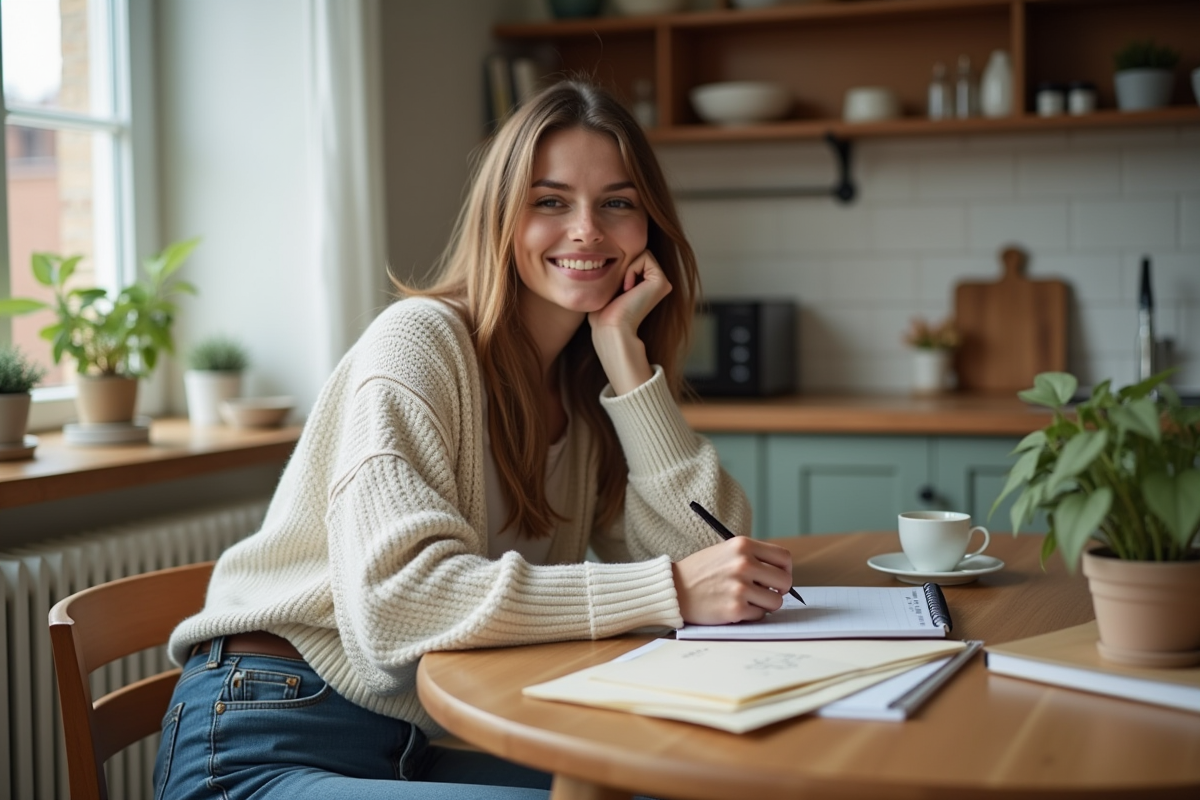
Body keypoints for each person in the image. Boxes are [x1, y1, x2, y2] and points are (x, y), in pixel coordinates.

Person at [154, 79, 798, 799]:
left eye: (617, 203)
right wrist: (669, 590)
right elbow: (397, 608)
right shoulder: (417, 344)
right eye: (550, 202)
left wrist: (628, 363)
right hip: (263, 734)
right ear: (501, 218)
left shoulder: (586, 390)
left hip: (411, 742)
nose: (587, 230)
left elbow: (716, 567)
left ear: (649, 225)